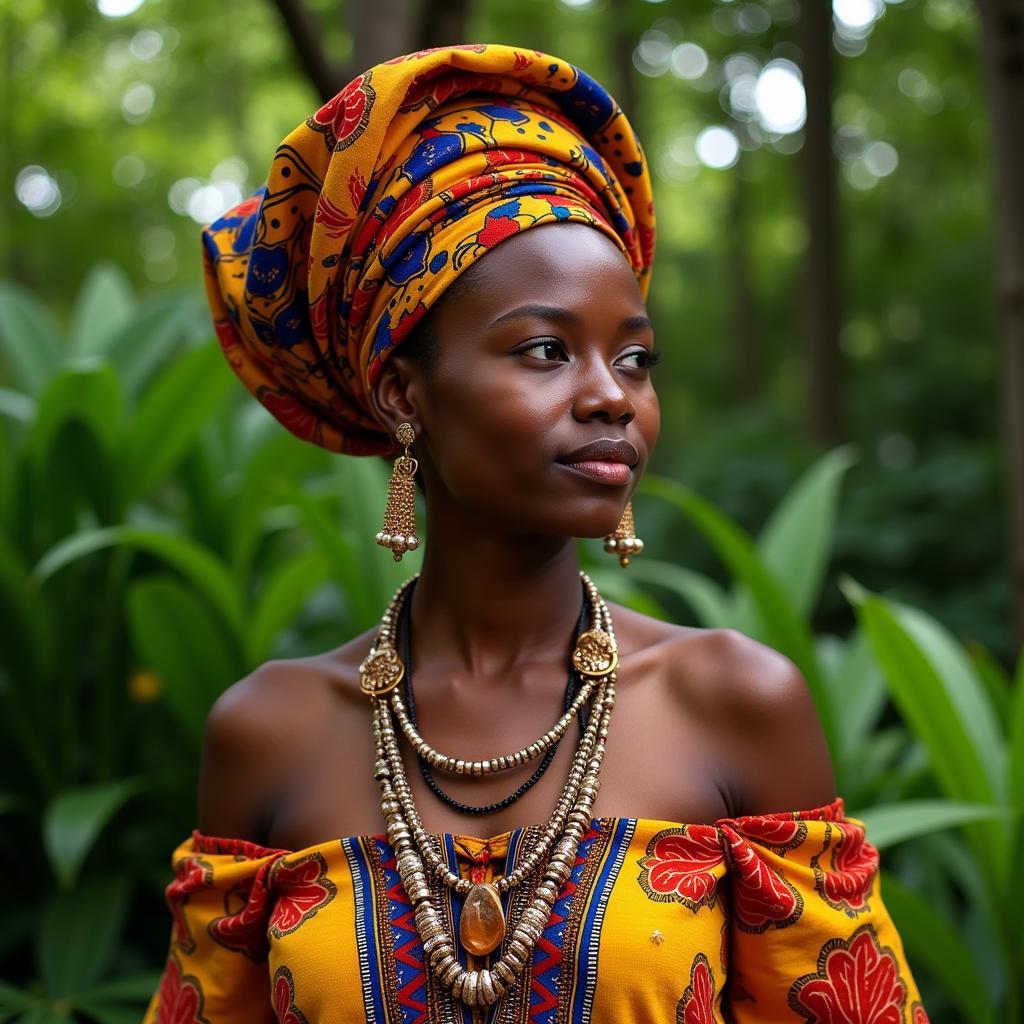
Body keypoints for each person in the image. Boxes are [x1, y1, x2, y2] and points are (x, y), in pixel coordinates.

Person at [143, 44, 927, 1024]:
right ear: (403, 392)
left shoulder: (735, 704)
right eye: (546, 349)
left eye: (635, 358)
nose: (611, 396)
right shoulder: (269, 732)